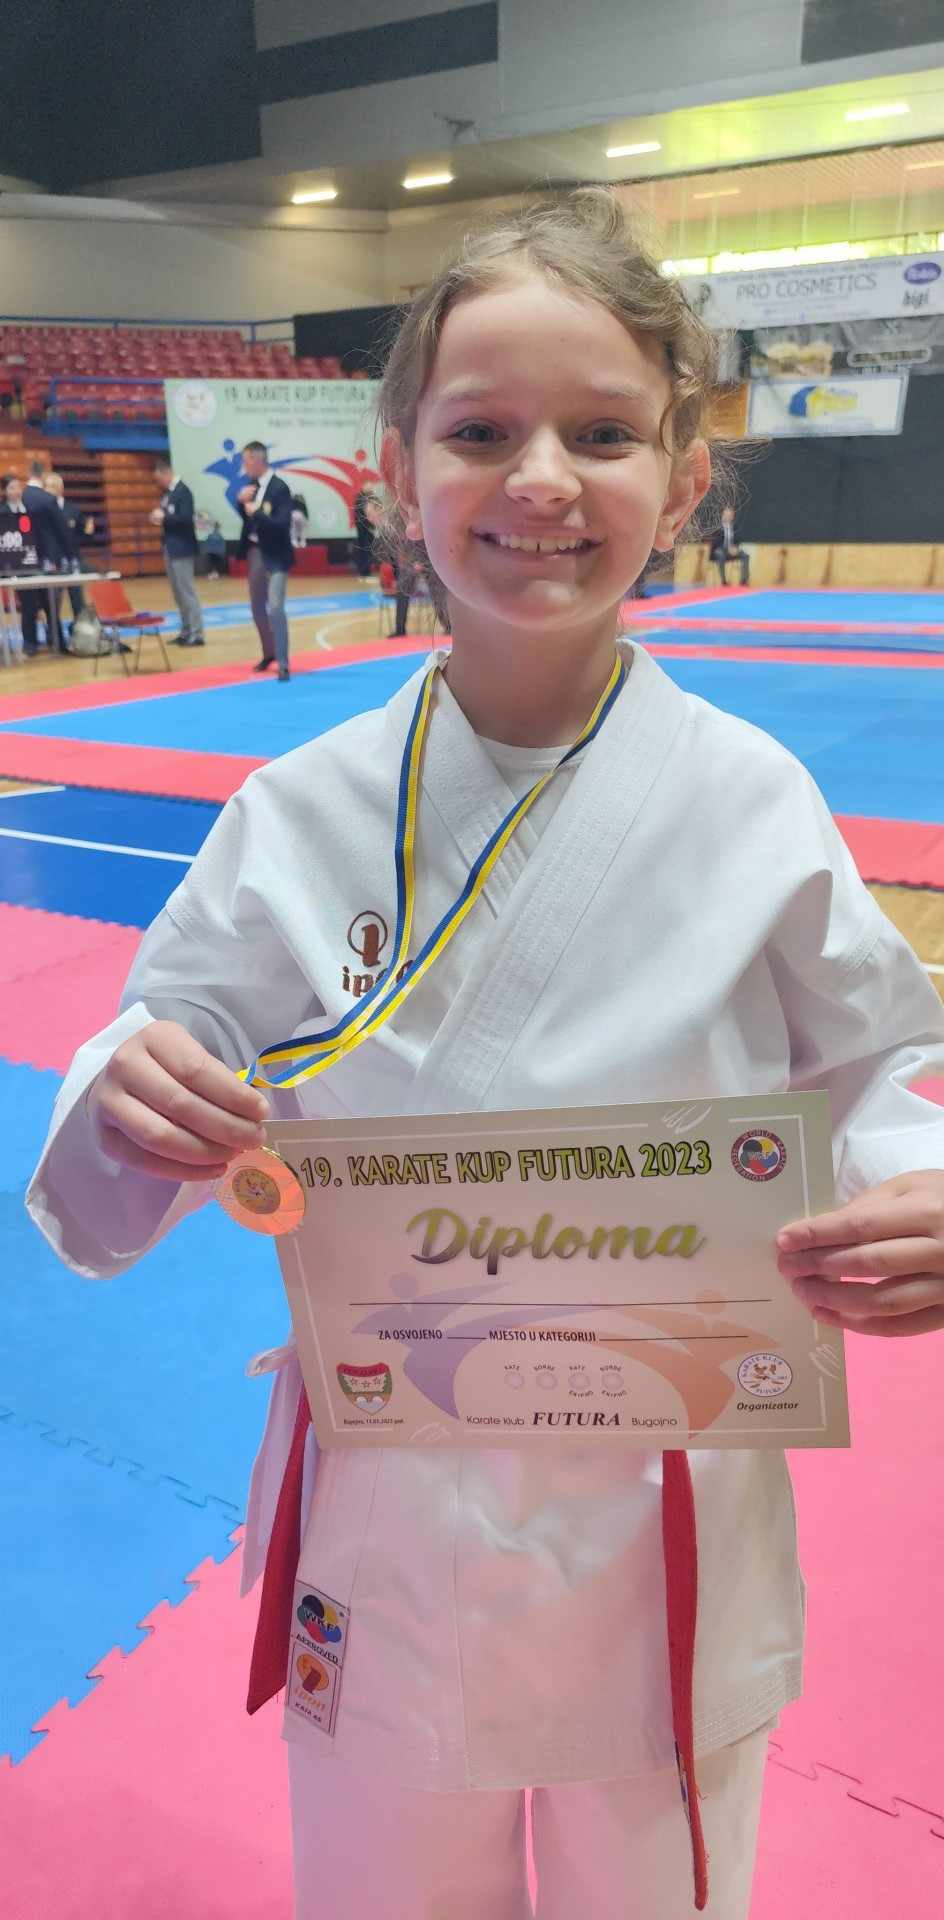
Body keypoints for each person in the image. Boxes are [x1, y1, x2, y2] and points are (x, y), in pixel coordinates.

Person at [25, 191, 944, 1920]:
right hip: (390, 1503)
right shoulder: (295, 814)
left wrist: (918, 1194)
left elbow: (877, 1077)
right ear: (394, 473)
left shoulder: (752, 802)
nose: (541, 479)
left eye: (601, 434)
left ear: (683, 480)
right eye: (479, 432)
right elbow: (144, 1083)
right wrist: (129, 1098)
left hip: (659, 1504)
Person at [236, 440, 294, 682]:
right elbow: (249, 521)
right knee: (257, 607)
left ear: (258, 459)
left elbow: (282, 524)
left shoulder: (280, 488)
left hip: (277, 555)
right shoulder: (251, 487)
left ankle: (283, 662)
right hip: (256, 553)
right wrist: (241, 504)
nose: (244, 465)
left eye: (246, 460)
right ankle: (268, 653)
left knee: (276, 607)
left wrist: (256, 512)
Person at [18, 460, 71, 654]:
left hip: (22, 557)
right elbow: (61, 530)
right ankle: (56, 640)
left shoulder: (20, 497)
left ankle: (30, 644)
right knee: (51, 603)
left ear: (29, 472)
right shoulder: (47, 499)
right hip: (46, 557)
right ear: (44, 474)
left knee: (28, 603)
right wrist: (69, 555)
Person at [151, 459, 205, 647]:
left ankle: (197, 633)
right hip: (171, 547)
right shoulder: (169, 493)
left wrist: (165, 517)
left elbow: (186, 519)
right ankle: (185, 630)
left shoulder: (183, 491)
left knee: (187, 591)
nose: (158, 483)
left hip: (182, 548)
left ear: (166, 473)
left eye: (159, 479)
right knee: (178, 593)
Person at [45, 472, 94, 639]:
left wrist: (88, 532)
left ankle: (82, 635)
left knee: (78, 600)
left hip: (73, 562)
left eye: (52, 486)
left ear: (60, 488)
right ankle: (54, 637)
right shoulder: (43, 511)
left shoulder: (73, 510)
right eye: (46, 487)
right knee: (53, 602)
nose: (49, 490)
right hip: (54, 563)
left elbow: (83, 536)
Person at [709, 507, 750, 587]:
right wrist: (727, 549)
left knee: (745, 555)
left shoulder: (735, 527)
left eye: (730, 515)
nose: (728, 517)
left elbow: (738, 539)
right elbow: (715, 542)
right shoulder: (717, 527)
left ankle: (744, 580)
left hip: (731, 550)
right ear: (722, 515)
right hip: (719, 550)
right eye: (726, 515)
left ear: (732, 517)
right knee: (720, 555)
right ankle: (723, 581)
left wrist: (735, 547)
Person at [352, 486, 378, 579]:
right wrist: (371, 525)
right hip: (364, 530)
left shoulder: (364, 500)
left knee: (365, 551)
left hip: (365, 529)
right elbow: (366, 515)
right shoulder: (362, 500)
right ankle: (364, 572)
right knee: (365, 551)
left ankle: (364, 571)